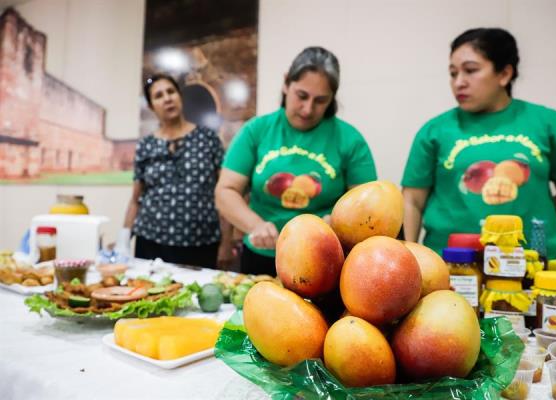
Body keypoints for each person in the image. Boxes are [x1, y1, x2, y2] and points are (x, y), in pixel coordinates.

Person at [401, 28, 556, 259]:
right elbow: (411, 200)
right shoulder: (435, 130)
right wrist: (407, 257)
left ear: (504, 74)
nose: (459, 82)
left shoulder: (547, 122)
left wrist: (534, 219)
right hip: (450, 265)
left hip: (530, 263)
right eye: (453, 73)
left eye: (470, 70)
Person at [215, 46, 377, 276]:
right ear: (286, 83)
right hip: (262, 257)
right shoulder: (256, 130)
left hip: (323, 259)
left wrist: (338, 223)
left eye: (321, 100)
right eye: (301, 96)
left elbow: (367, 205)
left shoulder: (350, 140)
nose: (308, 109)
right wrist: (255, 226)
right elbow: (226, 191)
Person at [116, 73, 232, 268]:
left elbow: (226, 192)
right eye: (159, 96)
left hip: (201, 244)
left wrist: (227, 243)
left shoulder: (208, 139)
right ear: (152, 106)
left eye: (171, 92)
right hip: (150, 243)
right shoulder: (146, 145)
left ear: (180, 96)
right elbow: (135, 199)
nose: (167, 98)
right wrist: (123, 238)